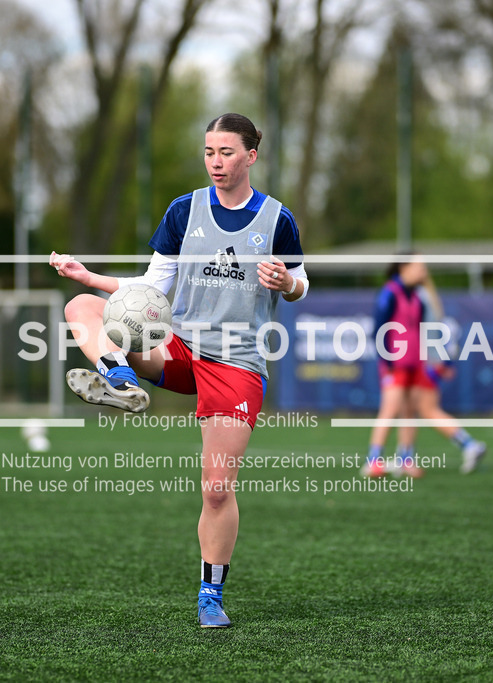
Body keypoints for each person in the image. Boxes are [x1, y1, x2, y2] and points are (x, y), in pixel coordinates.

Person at [49, 113, 309, 629]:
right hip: (180, 346)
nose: (216, 161)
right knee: (81, 306)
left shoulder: (277, 219)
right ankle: (118, 377)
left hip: (236, 361)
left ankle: (211, 594)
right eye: (209, 151)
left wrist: (287, 283)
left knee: (216, 489)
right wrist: (90, 276)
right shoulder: (184, 211)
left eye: (227, 152)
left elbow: (301, 284)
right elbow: (150, 289)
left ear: (251, 155)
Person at [360, 257, 486, 479]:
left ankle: (406, 459)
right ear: (404, 268)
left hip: (415, 362)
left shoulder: (417, 296)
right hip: (395, 363)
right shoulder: (390, 293)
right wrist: (387, 361)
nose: (423, 271)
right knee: (390, 409)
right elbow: (378, 328)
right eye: (418, 267)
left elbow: (425, 330)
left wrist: (437, 359)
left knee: (410, 412)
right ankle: (373, 460)